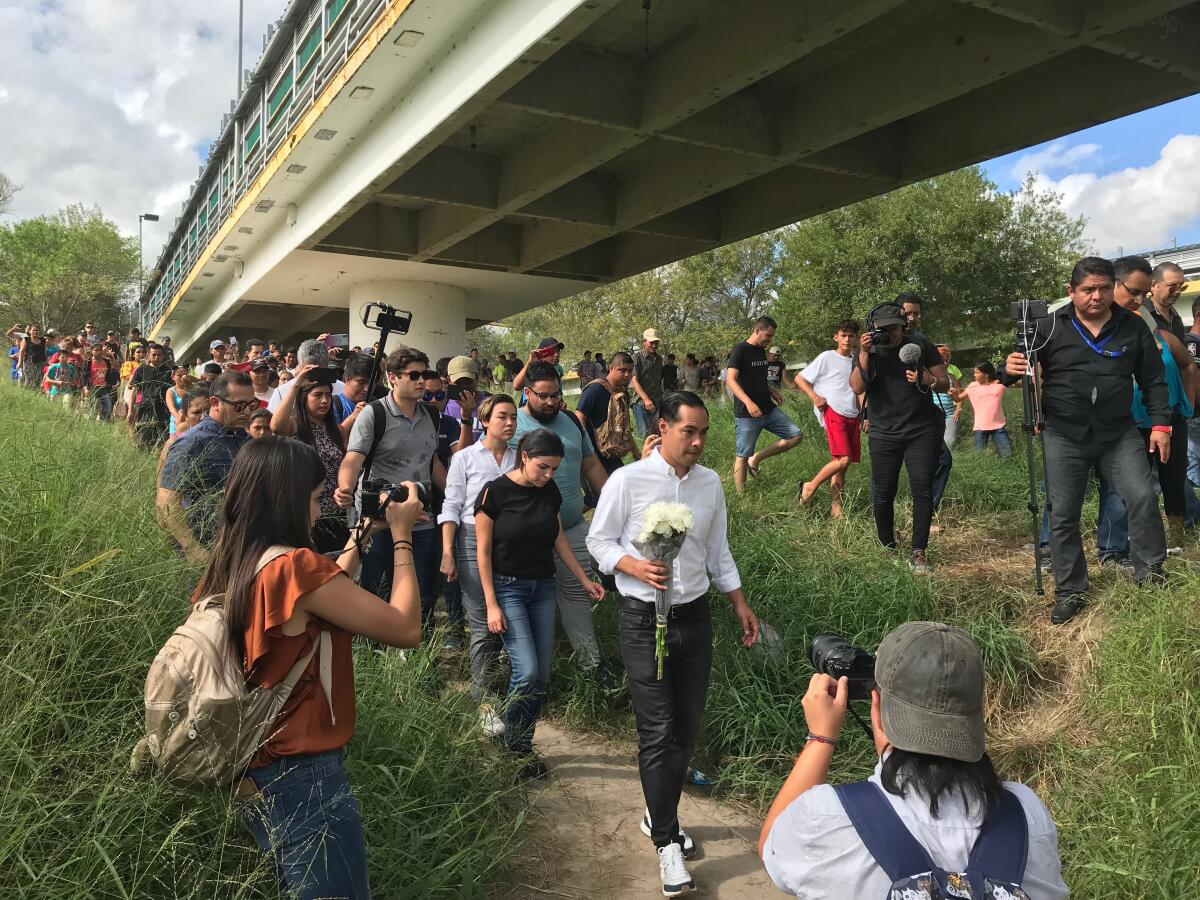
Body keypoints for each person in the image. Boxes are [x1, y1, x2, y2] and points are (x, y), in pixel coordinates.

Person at [194, 437, 424, 900]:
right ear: (288, 498)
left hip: (253, 765)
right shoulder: (296, 569)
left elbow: (327, 584)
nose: (318, 511)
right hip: (304, 772)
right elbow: (405, 628)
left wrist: (362, 533)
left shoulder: (234, 561)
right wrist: (402, 536)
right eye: (316, 499)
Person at [588, 391, 759, 897]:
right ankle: (666, 840)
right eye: (689, 431)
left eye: (704, 432)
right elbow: (599, 542)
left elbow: (717, 549)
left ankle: (654, 809)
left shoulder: (709, 485)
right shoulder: (628, 480)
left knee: (686, 726)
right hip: (643, 619)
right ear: (662, 427)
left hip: (694, 616)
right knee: (658, 728)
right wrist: (633, 565)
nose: (699, 442)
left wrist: (739, 602)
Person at [759, 622, 1068, 900]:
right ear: (975, 718)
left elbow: (772, 847)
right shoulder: (1026, 815)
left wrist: (821, 738)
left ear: (876, 707)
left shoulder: (828, 817)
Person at [1003, 256, 1170, 624]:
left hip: (1118, 432)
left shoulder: (1133, 327)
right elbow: (1015, 369)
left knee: (1142, 496)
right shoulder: (1047, 328)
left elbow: (1154, 379)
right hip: (1063, 433)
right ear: (1071, 292)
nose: (1097, 296)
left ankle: (1152, 576)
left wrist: (1161, 425)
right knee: (1062, 515)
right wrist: (1008, 369)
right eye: (1088, 289)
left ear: (1113, 288)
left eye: (1104, 288)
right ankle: (1071, 590)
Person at [477, 428, 605, 778]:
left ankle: (519, 745)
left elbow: (557, 536)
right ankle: (514, 746)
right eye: (543, 467)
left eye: (555, 469)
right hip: (508, 589)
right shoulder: (494, 493)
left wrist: (583, 578)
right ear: (524, 457)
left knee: (540, 675)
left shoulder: (548, 491)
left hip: (543, 588)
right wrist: (491, 603)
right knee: (527, 670)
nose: (549, 476)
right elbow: (483, 552)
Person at [512, 361, 613, 685]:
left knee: (576, 594)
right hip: (526, 537)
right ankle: (527, 674)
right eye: (543, 396)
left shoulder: (572, 420)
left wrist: (613, 509)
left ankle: (590, 665)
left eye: (556, 394)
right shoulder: (511, 424)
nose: (552, 402)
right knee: (525, 600)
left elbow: (593, 465)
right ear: (527, 393)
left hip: (571, 528)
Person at [335, 347, 446, 627]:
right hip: (378, 521)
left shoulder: (431, 416)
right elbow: (353, 458)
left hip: (420, 518)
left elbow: (432, 464)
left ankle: (419, 657)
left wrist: (459, 494)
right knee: (376, 595)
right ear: (393, 377)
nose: (421, 381)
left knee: (421, 596)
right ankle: (374, 657)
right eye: (414, 375)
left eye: (425, 375)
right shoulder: (374, 414)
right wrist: (345, 488)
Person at [1094, 256, 1194, 566]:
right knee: (1124, 487)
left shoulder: (1152, 323)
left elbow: (1183, 363)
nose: (1139, 300)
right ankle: (1114, 549)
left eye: (1143, 294)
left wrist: (1185, 403)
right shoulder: (1098, 326)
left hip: (1165, 417)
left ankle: (1173, 540)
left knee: (1173, 480)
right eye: (1134, 293)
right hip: (1126, 422)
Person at [849, 302, 949, 575]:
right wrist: (865, 352)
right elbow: (857, 386)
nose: (887, 334)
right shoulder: (869, 350)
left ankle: (918, 551)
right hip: (883, 431)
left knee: (922, 490)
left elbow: (944, 382)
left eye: (892, 329)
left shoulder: (920, 346)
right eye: (881, 329)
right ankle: (887, 548)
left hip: (921, 429)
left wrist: (925, 378)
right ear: (872, 328)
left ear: (903, 327)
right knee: (883, 493)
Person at [440, 394, 518, 737]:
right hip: (472, 540)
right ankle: (484, 700)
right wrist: (448, 551)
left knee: (509, 615)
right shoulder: (465, 458)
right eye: (502, 416)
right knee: (481, 620)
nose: (510, 423)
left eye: (514, 417)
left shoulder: (522, 457)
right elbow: (452, 504)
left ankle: (508, 685)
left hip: (513, 542)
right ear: (485, 420)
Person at [158, 371, 255, 560]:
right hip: (207, 551)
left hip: (242, 548)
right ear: (215, 403)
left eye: (252, 405)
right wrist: (193, 549)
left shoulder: (247, 441)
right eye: (240, 406)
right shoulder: (193, 443)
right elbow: (167, 499)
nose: (248, 412)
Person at [727, 316, 804, 490]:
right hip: (747, 413)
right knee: (742, 455)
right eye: (768, 336)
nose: (770, 340)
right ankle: (742, 497)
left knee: (795, 435)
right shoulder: (740, 350)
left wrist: (772, 391)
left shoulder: (761, 351)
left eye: (771, 336)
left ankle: (757, 458)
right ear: (757, 330)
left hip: (768, 408)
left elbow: (760, 378)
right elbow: (731, 381)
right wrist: (748, 402)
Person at [794, 320, 861, 518]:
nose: (847, 339)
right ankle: (809, 486)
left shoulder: (857, 361)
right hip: (833, 411)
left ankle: (835, 507)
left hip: (853, 414)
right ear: (836, 337)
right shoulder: (826, 357)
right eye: (844, 335)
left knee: (842, 464)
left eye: (851, 336)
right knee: (843, 458)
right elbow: (799, 378)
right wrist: (815, 397)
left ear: (856, 338)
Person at [575, 350, 638, 475]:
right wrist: (584, 448)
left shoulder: (622, 392)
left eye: (630, 371)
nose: (627, 375)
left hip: (611, 453)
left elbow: (623, 425)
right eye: (622, 370)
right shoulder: (595, 389)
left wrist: (636, 454)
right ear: (611, 368)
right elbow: (579, 416)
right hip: (593, 455)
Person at [952, 361, 1012, 457]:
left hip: (999, 426)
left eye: (977, 372)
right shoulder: (972, 386)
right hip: (980, 427)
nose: (974, 375)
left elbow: (1017, 383)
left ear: (986, 374)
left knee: (1007, 455)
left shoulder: (998, 383)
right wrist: (953, 394)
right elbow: (958, 398)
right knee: (980, 457)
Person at [157, 387, 210, 487]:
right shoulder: (175, 441)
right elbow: (162, 481)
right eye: (197, 412)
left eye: (207, 411)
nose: (203, 417)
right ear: (186, 416)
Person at [129, 344, 175, 448]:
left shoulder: (169, 371)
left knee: (162, 440)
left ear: (163, 356)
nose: (156, 357)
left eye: (159, 355)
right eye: (153, 355)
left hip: (163, 410)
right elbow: (134, 390)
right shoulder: (142, 370)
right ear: (149, 355)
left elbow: (174, 391)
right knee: (144, 439)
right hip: (145, 408)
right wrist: (130, 411)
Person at [631, 328, 665, 437]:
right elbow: (634, 381)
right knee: (645, 436)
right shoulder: (637, 357)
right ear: (644, 342)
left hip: (657, 402)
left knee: (658, 434)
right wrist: (646, 400)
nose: (654, 345)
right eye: (651, 342)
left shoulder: (659, 359)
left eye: (656, 342)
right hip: (641, 403)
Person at [17, 324, 48, 388]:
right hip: (29, 362)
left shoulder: (43, 340)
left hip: (41, 362)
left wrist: (47, 361)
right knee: (29, 380)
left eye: (37, 330)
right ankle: (26, 394)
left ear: (39, 331)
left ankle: (36, 394)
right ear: (30, 331)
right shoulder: (26, 340)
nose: (35, 332)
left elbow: (44, 351)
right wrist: (20, 362)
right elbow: (22, 351)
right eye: (33, 330)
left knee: (38, 380)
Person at [166, 366, 190, 436]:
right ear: (173, 377)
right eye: (179, 375)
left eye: (184, 375)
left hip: (191, 421)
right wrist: (179, 418)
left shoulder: (193, 389)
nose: (182, 378)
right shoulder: (171, 391)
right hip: (176, 422)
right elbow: (171, 408)